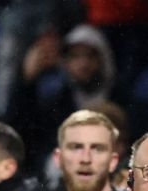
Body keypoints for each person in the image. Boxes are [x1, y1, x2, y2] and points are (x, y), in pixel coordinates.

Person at [9, 23, 120, 174]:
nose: (83, 63)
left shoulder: (121, 98)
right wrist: (26, 81)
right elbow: (22, 133)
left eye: (90, 55)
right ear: (65, 62)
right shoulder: (57, 103)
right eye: (75, 56)